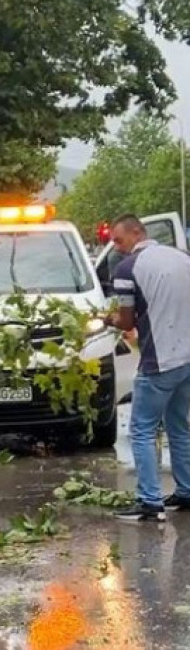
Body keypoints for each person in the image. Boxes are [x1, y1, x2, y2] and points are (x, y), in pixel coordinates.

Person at [106, 214, 190, 523]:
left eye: (118, 239)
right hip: (187, 357)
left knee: (141, 430)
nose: (116, 246)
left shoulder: (126, 269)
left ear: (137, 233)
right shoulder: (180, 258)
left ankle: (150, 502)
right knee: (179, 426)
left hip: (159, 361)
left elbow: (125, 322)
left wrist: (108, 320)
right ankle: (186, 490)